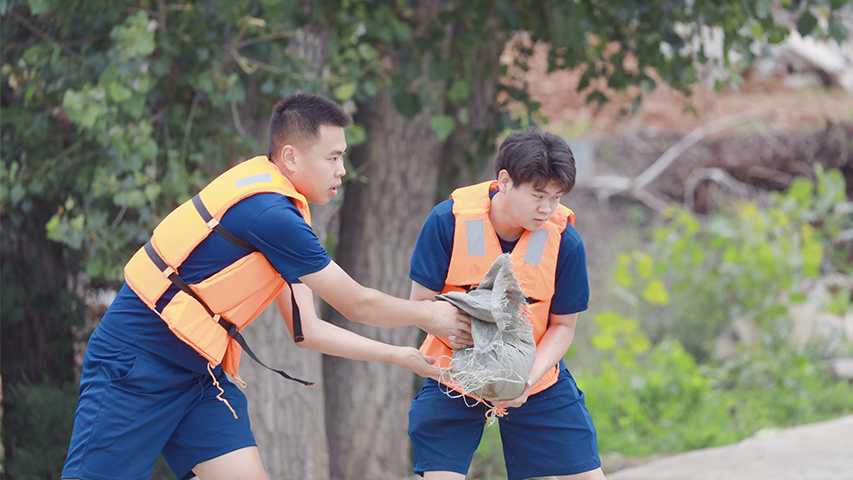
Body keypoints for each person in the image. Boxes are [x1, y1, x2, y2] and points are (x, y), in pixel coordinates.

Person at [61, 93, 470, 480]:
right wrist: (429, 314)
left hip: (201, 375)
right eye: (332, 157)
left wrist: (404, 356)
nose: (342, 169)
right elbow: (356, 304)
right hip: (136, 361)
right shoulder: (269, 214)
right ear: (290, 157)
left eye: (343, 156)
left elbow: (308, 330)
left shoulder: (284, 212)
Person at [407, 127, 606, 480]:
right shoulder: (447, 221)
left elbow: (563, 326)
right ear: (504, 180)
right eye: (538, 195)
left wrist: (526, 378)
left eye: (556, 197)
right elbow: (419, 304)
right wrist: (462, 337)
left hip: (534, 375)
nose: (546, 208)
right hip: (454, 372)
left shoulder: (565, 240)